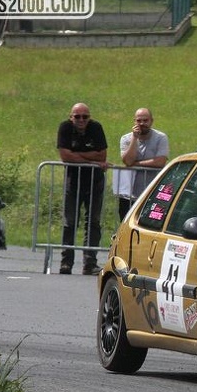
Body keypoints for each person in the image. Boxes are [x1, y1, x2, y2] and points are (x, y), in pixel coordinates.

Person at [57, 102, 109, 275]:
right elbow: (65, 156)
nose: (81, 120)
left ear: (89, 117)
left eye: (85, 116)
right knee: (69, 222)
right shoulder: (64, 128)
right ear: (71, 117)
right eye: (77, 116)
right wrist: (92, 160)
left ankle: (90, 263)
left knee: (93, 222)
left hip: (95, 182)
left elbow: (102, 155)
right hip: (73, 182)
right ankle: (66, 262)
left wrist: (77, 156)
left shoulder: (96, 128)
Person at [118, 107, 169, 221]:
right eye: (139, 120)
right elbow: (128, 161)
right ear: (134, 121)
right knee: (126, 222)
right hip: (129, 195)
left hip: (153, 193)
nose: (142, 123)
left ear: (151, 121)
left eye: (145, 120)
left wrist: (136, 164)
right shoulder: (126, 139)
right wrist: (134, 138)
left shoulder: (161, 138)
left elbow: (160, 161)